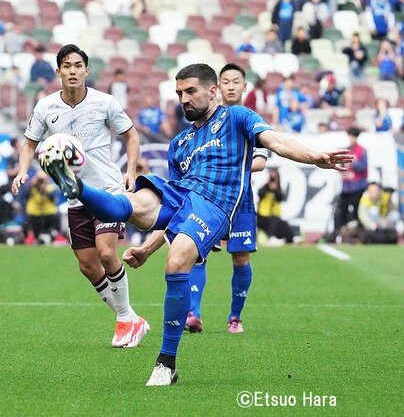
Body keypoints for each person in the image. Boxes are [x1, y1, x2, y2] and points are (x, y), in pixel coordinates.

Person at [39, 63, 352, 386]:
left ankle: (166, 362)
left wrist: (315, 156)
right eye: (179, 94)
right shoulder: (180, 143)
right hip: (183, 195)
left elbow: (277, 142)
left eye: (190, 91)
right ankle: (77, 188)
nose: (183, 99)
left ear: (212, 91)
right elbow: (172, 213)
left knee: (176, 262)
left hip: (216, 203)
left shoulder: (238, 118)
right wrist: (147, 249)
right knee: (136, 204)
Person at [11, 44, 148, 348]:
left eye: (78, 65)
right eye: (66, 66)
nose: (72, 71)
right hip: (75, 197)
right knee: (87, 265)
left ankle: (126, 320)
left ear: (87, 70)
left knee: (106, 253)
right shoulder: (46, 107)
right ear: (58, 71)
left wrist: (132, 172)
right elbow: (30, 144)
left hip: (107, 191)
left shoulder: (104, 102)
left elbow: (131, 134)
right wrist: (23, 170)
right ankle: (131, 318)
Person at [184, 63, 268, 335]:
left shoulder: (248, 119)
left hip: (240, 200)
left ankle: (235, 317)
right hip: (208, 198)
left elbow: (261, 161)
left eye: (236, 81)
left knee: (241, 258)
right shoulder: (208, 121)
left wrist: (229, 166)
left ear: (245, 86)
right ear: (216, 88)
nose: (231, 86)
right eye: (226, 82)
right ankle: (193, 314)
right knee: (197, 253)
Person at [328, 126, 368, 242]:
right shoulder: (346, 150)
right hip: (346, 187)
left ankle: (359, 236)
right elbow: (340, 166)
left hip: (357, 187)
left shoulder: (361, 150)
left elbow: (363, 167)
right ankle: (338, 233)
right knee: (340, 212)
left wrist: (354, 162)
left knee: (357, 213)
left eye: (352, 136)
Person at [257, 169, 294, 244]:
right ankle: (271, 237)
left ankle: (289, 240)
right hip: (262, 216)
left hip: (275, 216)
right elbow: (260, 194)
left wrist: (275, 189)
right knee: (273, 221)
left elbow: (280, 198)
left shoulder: (279, 189)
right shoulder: (265, 188)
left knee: (285, 226)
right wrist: (267, 185)